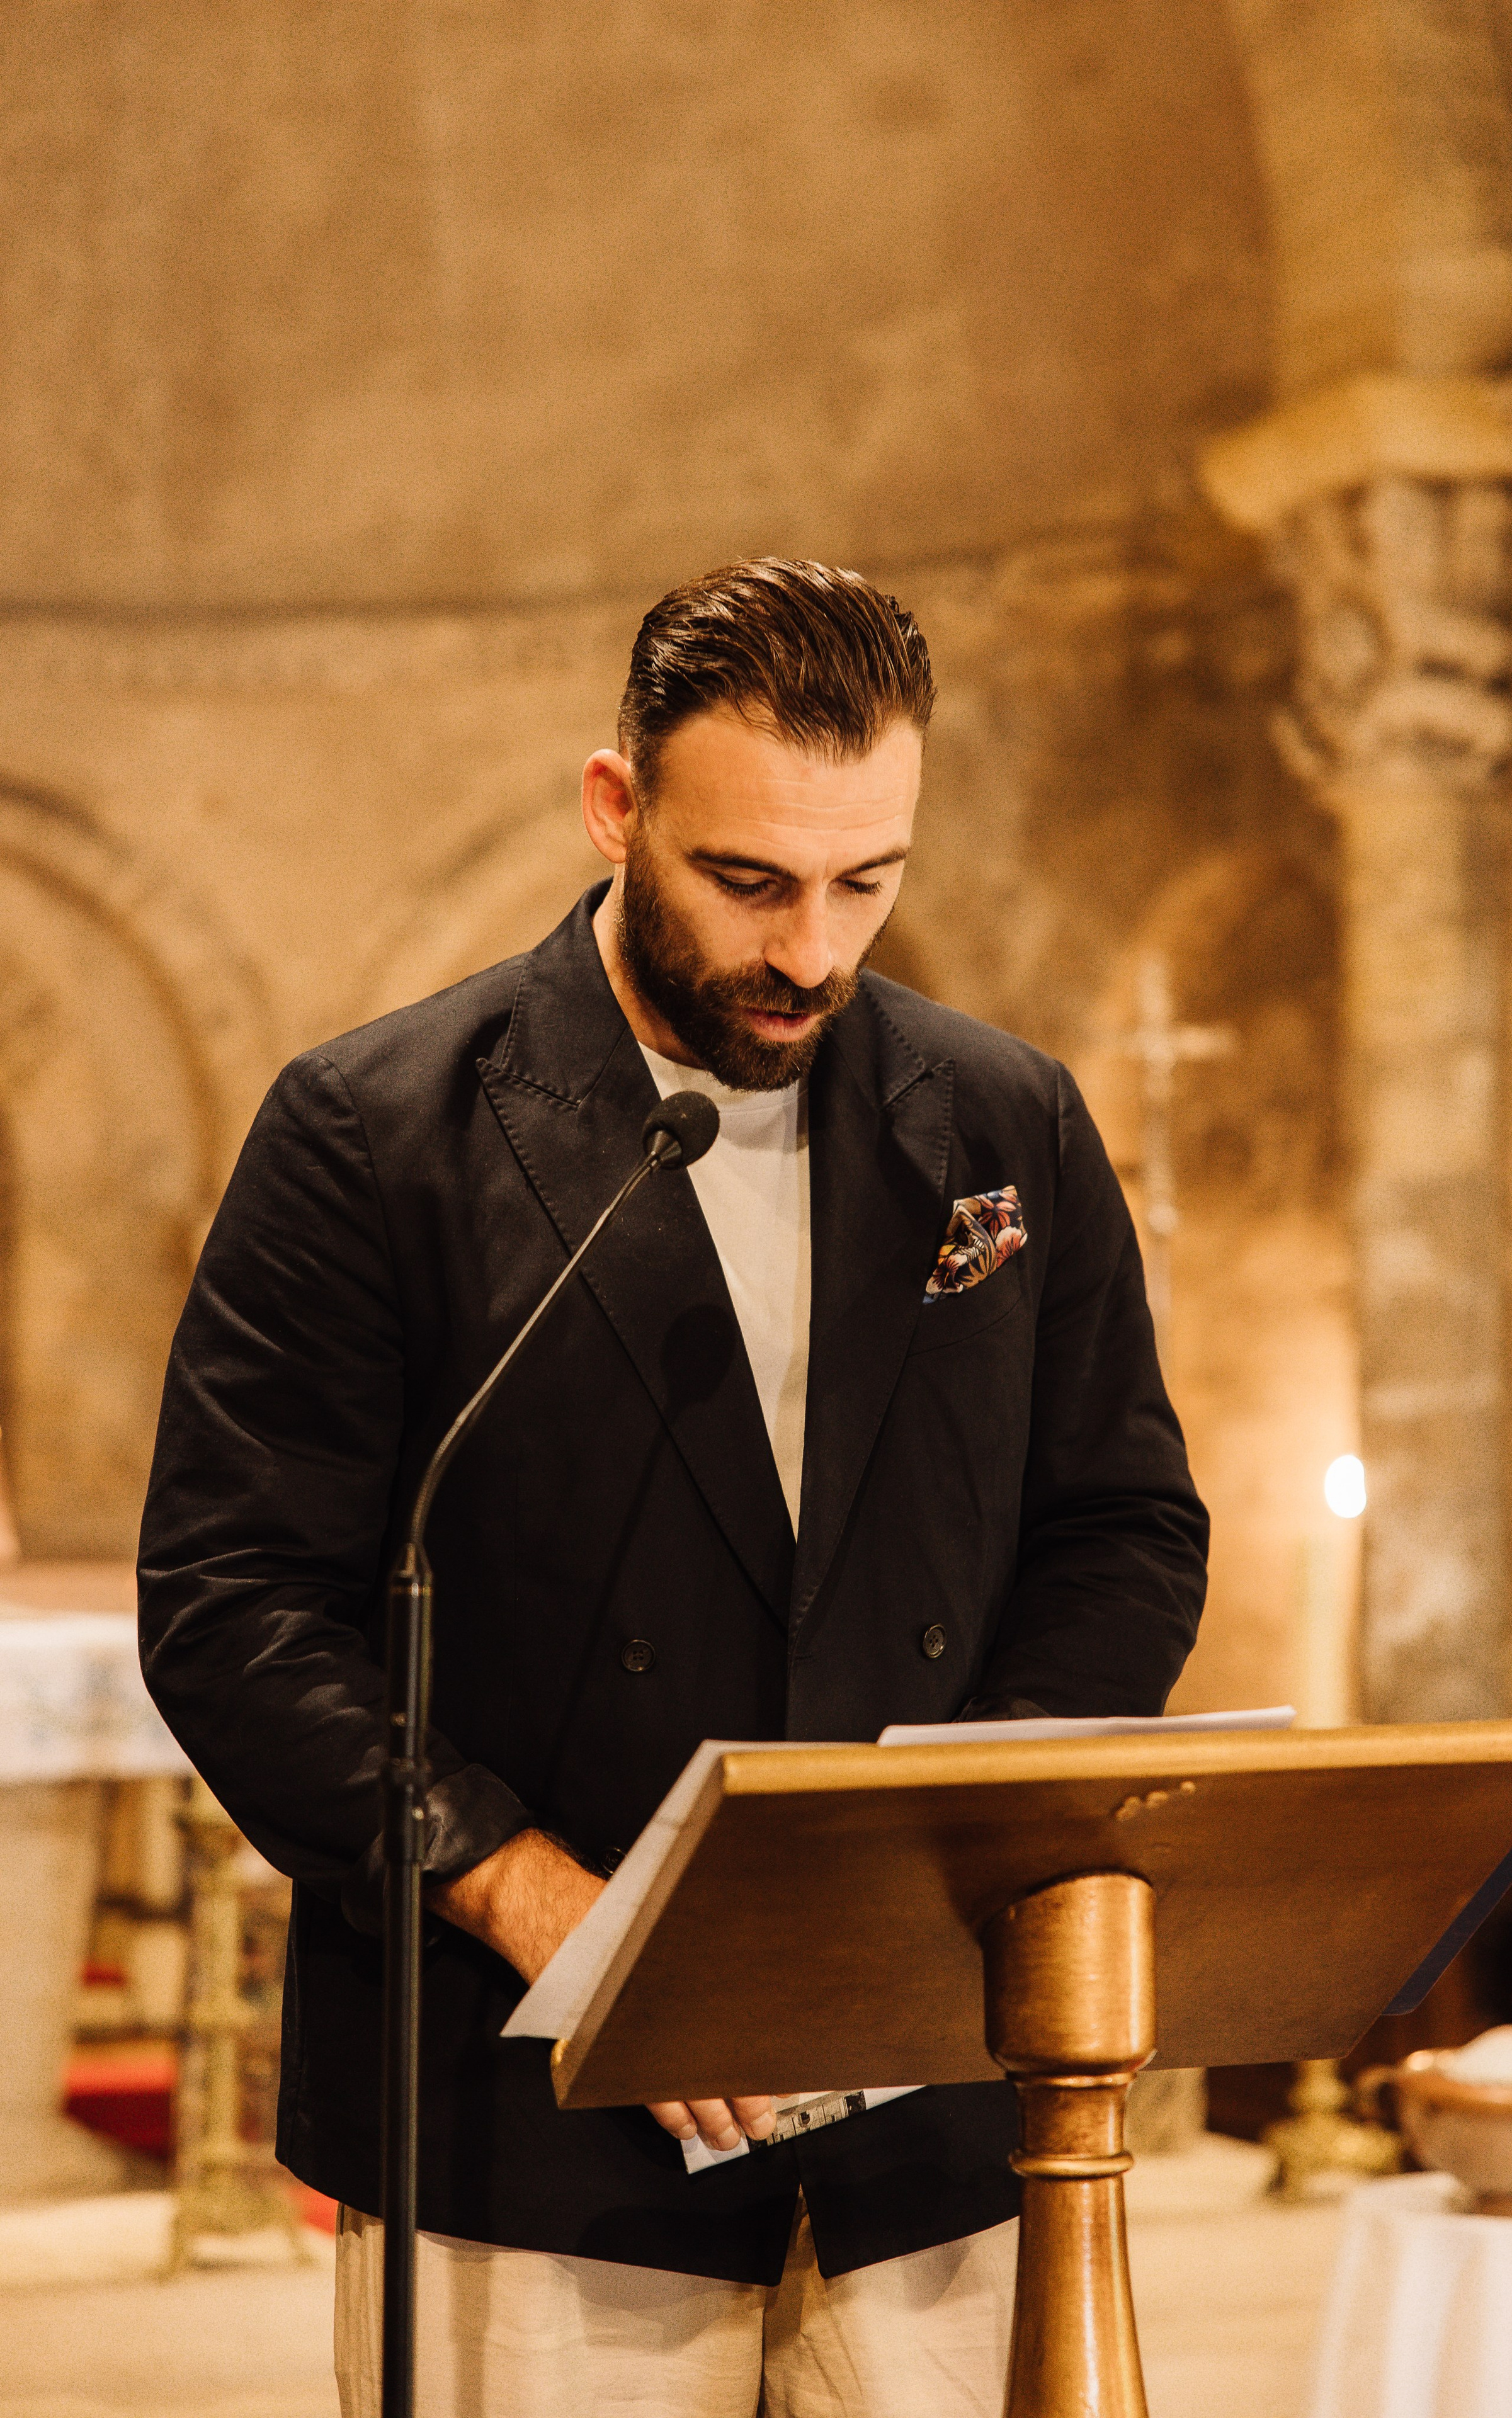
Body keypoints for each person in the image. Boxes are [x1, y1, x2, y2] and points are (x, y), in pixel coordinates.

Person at [139, 558, 1208, 2417]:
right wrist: (538, 1895)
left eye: (868, 881)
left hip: (928, 2103)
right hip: (534, 2122)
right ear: (618, 808)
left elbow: (1122, 1526)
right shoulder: (373, 1135)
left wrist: (955, 1848)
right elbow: (236, 1600)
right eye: (751, 880)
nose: (814, 948)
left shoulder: (1006, 1121)